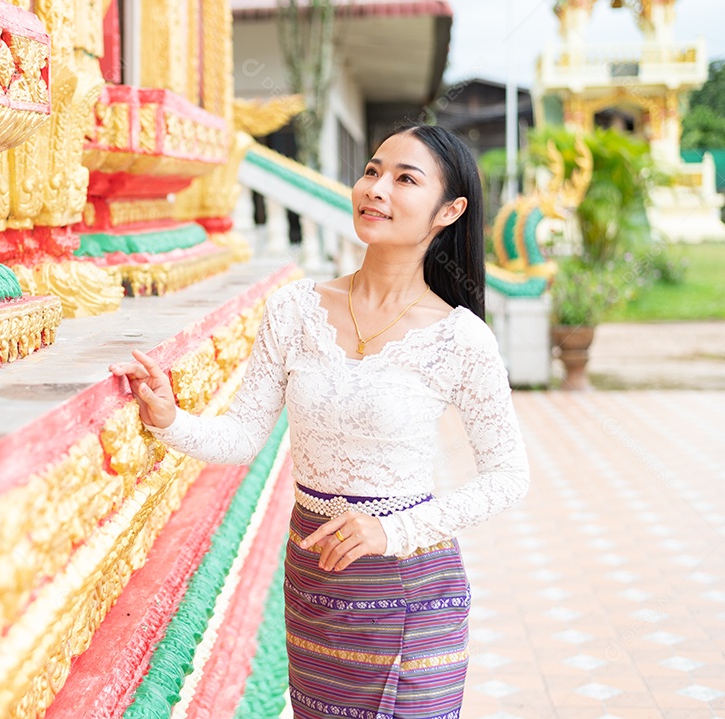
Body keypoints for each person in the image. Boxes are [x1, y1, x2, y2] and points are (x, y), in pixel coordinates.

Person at [109, 123, 530, 719]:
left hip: (409, 588)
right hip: (314, 581)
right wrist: (169, 418)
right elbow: (244, 435)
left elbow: (508, 474)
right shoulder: (296, 308)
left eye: (405, 179)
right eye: (372, 171)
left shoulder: (460, 337)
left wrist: (394, 531)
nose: (376, 188)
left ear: (449, 211)